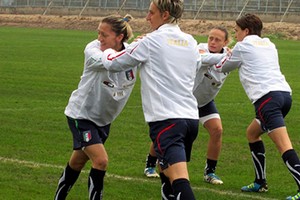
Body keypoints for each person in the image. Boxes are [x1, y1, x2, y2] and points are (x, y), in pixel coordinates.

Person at [101, 1, 201, 199]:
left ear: (164, 15)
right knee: (167, 177)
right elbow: (196, 66)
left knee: (180, 181)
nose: (147, 17)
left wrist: (105, 50)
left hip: (166, 120)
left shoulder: (151, 40)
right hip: (190, 119)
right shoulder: (190, 41)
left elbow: (115, 63)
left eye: (151, 12)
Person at [211, 13, 300, 200]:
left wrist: (226, 53)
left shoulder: (243, 46)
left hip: (267, 100)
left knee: (284, 146)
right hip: (284, 95)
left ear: (246, 30)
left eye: (236, 31)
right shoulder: (269, 43)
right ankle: (260, 182)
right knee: (252, 133)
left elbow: (222, 67)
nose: (235, 36)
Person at [53, 14, 137, 200]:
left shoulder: (132, 52)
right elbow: (113, 63)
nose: (99, 38)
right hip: (81, 115)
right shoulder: (93, 51)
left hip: (103, 120)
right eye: (98, 33)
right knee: (101, 161)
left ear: (119, 37)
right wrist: (136, 52)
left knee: (77, 162)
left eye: (104, 35)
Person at [143, 27, 230, 185]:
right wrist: (228, 56)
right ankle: (150, 164)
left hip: (204, 102)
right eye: (211, 38)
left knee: (217, 130)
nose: (212, 42)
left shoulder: (229, 55)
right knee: (168, 133)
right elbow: (206, 59)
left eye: (217, 40)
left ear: (225, 42)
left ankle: (210, 172)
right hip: (184, 101)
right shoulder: (199, 49)